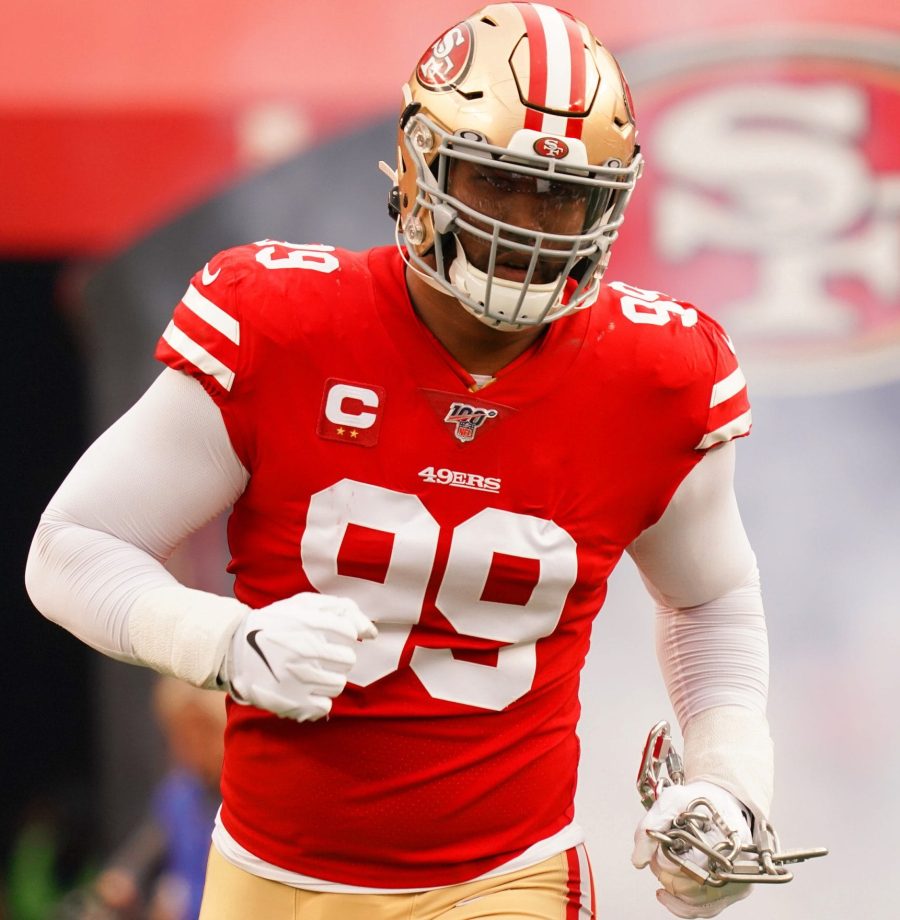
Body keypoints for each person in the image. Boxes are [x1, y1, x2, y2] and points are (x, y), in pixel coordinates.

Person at [25, 4, 775, 919]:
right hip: (274, 872)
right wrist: (223, 642)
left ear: (607, 202)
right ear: (423, 164)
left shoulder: (655, 374)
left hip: (509, 873)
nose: (526, 227)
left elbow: (709, 598)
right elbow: (71, 546)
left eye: (558, 196)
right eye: (496, 183)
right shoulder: (285, 323)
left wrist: (731, 782)